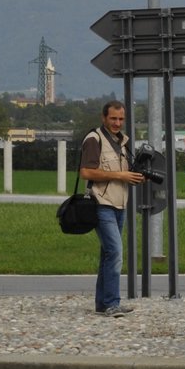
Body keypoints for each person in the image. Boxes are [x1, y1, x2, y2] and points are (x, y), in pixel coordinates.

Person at [78, 101, 143, 317]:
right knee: (115, 252)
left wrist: (134, 176)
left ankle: (103, 303)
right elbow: (86, 172)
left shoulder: (123, 142)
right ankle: (112, 303)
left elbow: (123, 173)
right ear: (103, 117)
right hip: (101, 203)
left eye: (121, 119)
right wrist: (120, 176)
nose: (117, 123)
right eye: (113, 118)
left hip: (120, 203)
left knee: (108, 253)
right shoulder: (94, 139)